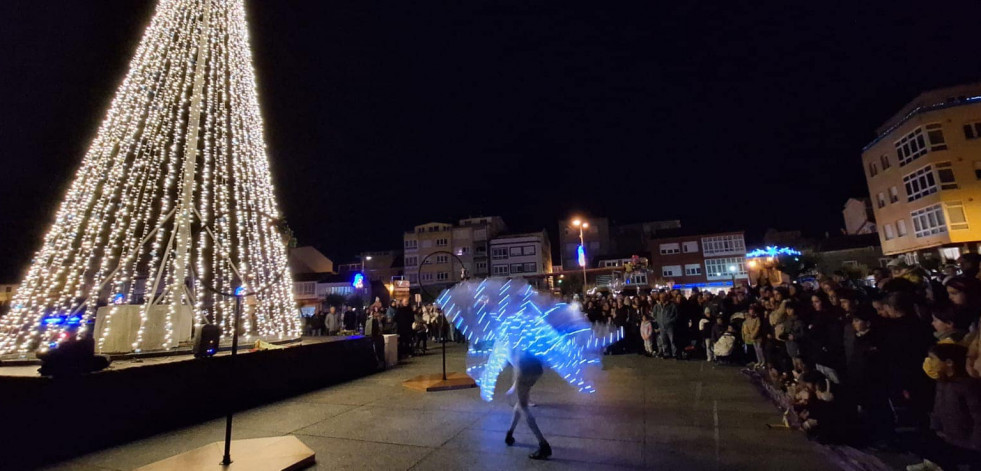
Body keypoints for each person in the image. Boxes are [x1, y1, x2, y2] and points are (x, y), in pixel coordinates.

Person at [907, 343, 981, 471]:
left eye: (933, 359)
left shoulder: (967, 386)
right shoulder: (943, 381)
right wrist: (936, 426)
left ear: (949, 363)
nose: (929, 362)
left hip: (966, 441)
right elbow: (938, 407)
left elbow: (978, 416)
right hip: (947, 435)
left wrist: (976, 443)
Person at [653, 292, 679, 359]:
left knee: (672, 340)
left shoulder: (671, 305)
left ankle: (674, 354)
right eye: (661, 297)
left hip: (670, 326)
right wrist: (658, 321)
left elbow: (676, 315)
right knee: (664, 341)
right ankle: (666, 353)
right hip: (661, 326)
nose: (662, 299)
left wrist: (670, 321)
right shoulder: (657, 306)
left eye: (663, 297)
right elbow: (654, 314)